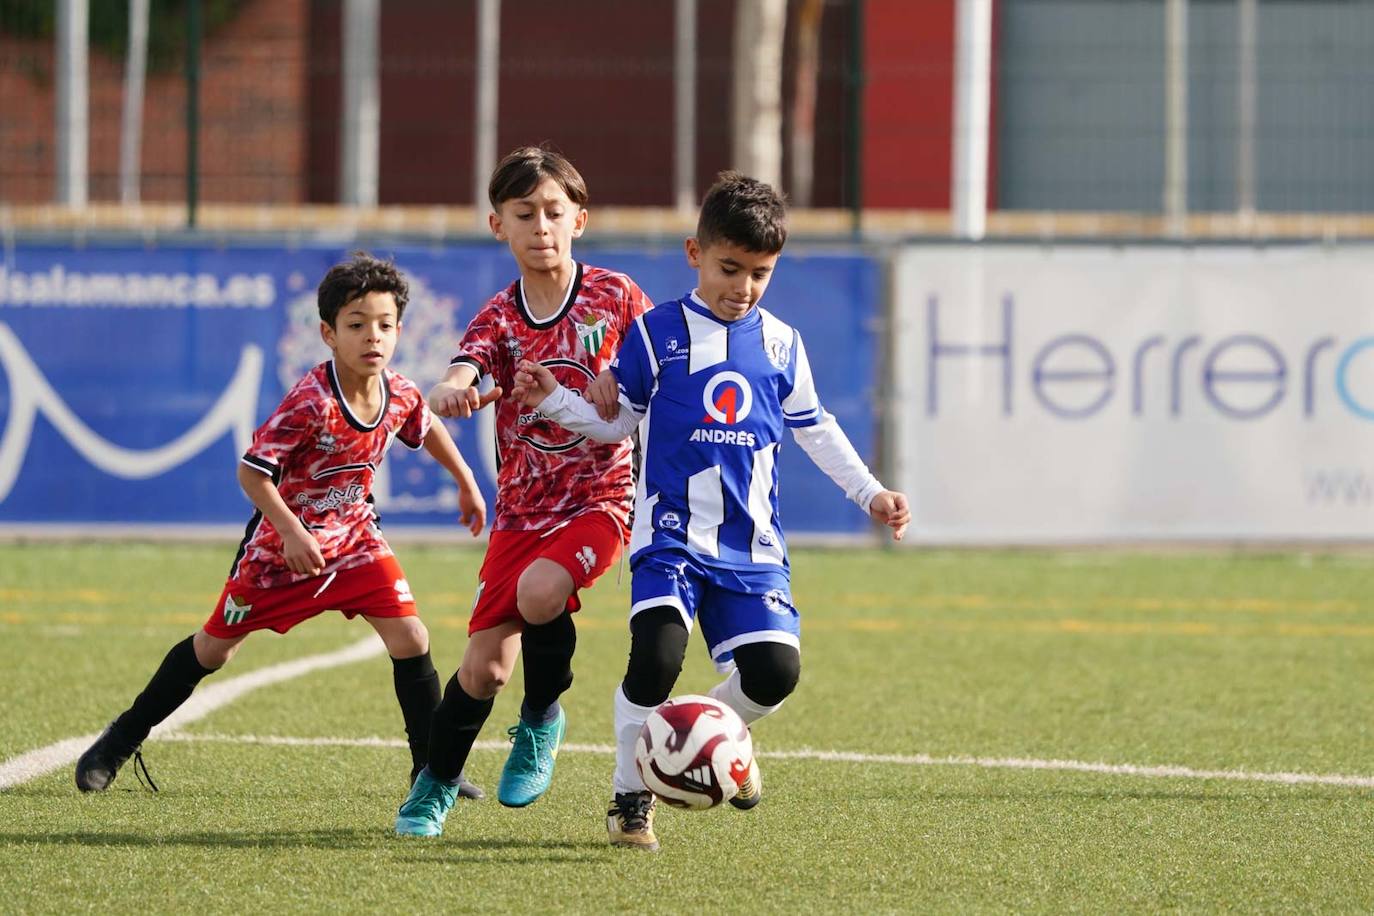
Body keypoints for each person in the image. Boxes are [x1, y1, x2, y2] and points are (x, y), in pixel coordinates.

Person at [510, 171, 911, 852]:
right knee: (656, 660)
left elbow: (815, 428)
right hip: (669, 538)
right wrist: (554, 398)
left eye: (760, 273)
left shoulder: (783, 344)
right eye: (730, 268)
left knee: (775, 673)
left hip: (751, 548)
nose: (743, 287)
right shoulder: (653, 333)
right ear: (696, 254)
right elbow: (615, 426)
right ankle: (631, 796)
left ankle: (715, 738)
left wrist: (870, 491)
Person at [75, 253, 487, 797]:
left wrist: (466, 481)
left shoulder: (400, 391)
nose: (373, 337)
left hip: (356, 538)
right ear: (328, 333)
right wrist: (292, 532)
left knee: (411, 637)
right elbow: (252, 473)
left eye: (385, 325)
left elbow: (425, 424)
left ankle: (435, 771)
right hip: (280, 549)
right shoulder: (311, 402)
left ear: (399, 331)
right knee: (213, 650)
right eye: (356, 325)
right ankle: (118, 740)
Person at [393, 146, 652, 836]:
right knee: (482, 671)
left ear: (580, 220)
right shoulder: (500, 317)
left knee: (542, 594)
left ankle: (541, 720)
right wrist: (452, 391)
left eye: (553, 212)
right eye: (524, 213)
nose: (541, 225)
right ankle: (434, 787)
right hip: (522, 512)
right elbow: (464, 366)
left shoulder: (617, 296)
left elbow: (662, 364)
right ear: (497, 225)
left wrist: (624, 384)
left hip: (600, 499)